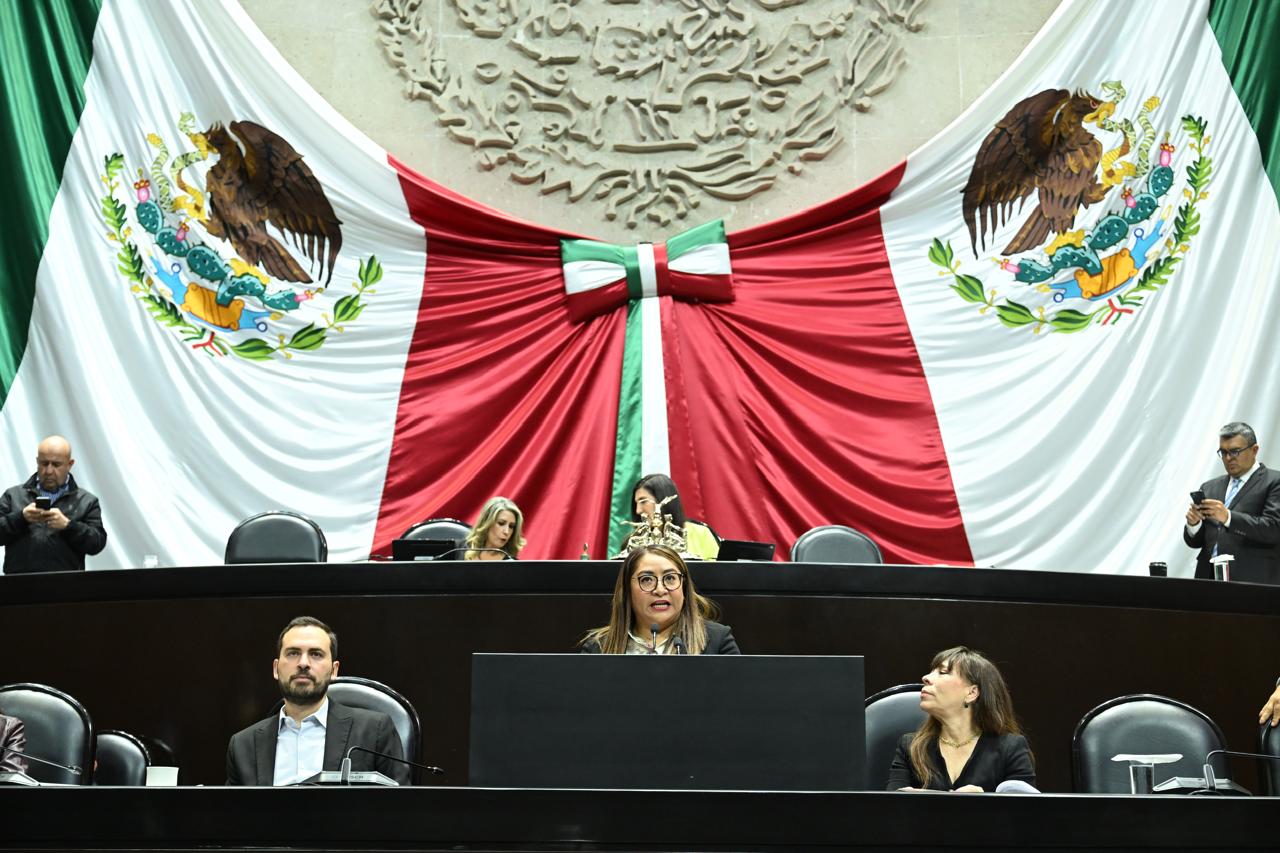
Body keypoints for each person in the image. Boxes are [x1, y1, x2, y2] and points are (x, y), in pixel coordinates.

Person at [226, 616, 409, 785]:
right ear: (276, 668)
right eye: (293, 653)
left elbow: (402, 806)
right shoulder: (243, 745)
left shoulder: (374, 731)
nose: (303, 663)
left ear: (334, 670)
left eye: (316, 654)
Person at [887, 646, 1035, 792]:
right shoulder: (910, 747)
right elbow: (890, 805)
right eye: (931, 672)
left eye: (943, 672)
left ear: (971, 693)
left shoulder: (1010, 748)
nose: (925, 678)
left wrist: (983, 802)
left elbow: (1025, 807)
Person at [580, 544, 739, 654]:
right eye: (647, 580)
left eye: (670, 578)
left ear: (684, 587)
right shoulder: (597, 647)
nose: (660, 590)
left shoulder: (718, 641)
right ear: (627, 590)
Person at [1184, 422, 1280, 584]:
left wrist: (1228, 517)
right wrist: (1194, 525)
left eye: (1235, 451)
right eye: (1223, 452)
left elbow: (1274, 529)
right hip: (1207, 580)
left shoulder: (1274, 482)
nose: (1228, 458)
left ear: (1254, 450)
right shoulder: (1209, 487)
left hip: (1253, 581)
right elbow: (1195, 542)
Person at [0, 435, 107, 574]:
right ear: (37, 461)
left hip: (67, 583)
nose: (49, 471)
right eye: (44, 464)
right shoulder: (12, 496)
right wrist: (20, 518)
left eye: (56, 465)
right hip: (19, 583)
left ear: (70, 464)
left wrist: (68, 526)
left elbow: (96, 544)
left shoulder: (86, 501)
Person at [625, 473, 719, 560]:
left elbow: (717, 569)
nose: (638, 510)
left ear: (663, 501)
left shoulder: (701, 533)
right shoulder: (633, 542)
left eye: (643, 501)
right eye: (636, 503)